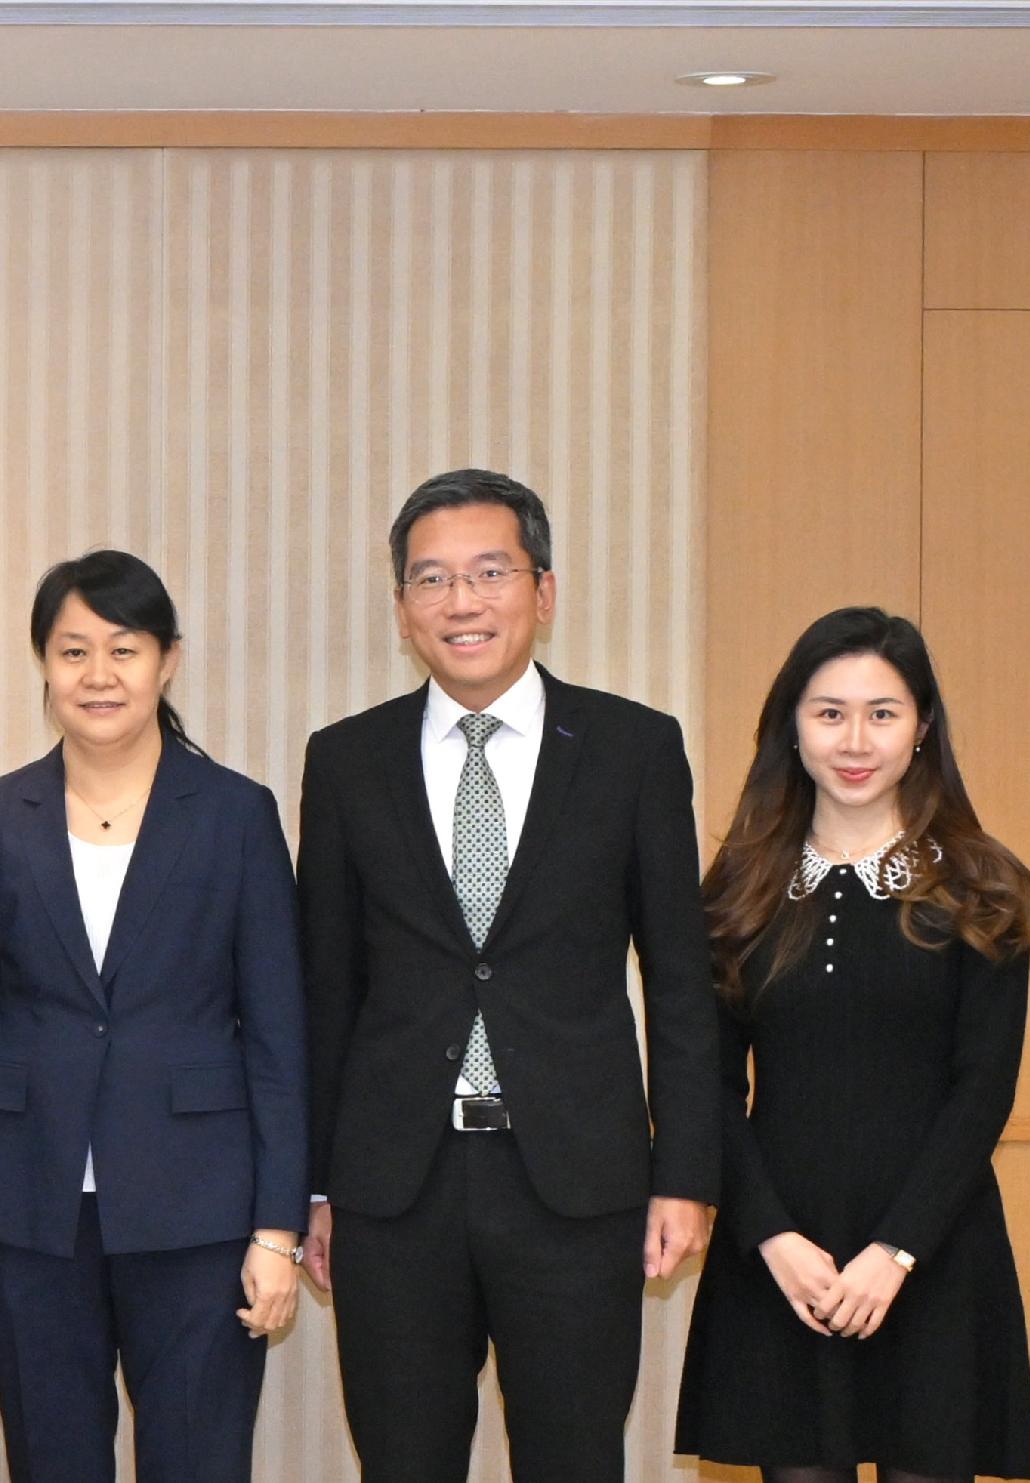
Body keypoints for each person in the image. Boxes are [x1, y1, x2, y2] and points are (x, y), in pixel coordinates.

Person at [296, 468, 717, 1483]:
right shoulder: (347, 761)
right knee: (403, 1462)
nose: (462, 600)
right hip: (394, 1189)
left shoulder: (632, 748)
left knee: (573, 1461)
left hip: (575, 1185)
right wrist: (311, 1183)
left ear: (544, 590)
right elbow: (323, 991)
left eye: (490, 571)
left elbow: (680, 980)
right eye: (431, 579)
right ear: (401, 609)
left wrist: (686, 1174)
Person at [0, 552, 307, 1483]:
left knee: (198, 1462)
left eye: (124, 649)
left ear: (167, 660)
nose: (98, 675)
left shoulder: (234, 813)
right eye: (73, 651)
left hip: (200, 1206)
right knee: (52, 1460)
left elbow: (280, 1033)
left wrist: (276, 1229)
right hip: (26, 1202)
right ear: (44, 665)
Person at [674, 607, 1030, 1483]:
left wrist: (897, 1251)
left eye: (883, 712)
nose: (855, 739)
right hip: (784, 1257)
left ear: (921, 730)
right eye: (828, 711)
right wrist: (771, 1239)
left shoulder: (983, 886)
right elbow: (708, 1085)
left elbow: (981, 1090)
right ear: (791, 730)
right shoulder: (736, 890)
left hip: (932, 1253)